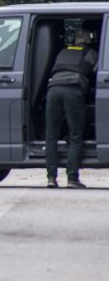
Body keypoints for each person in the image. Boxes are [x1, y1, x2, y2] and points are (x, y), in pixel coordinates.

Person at [45, 23, 98, 189]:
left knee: (51, 135)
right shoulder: (91, 54)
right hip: (73, 91)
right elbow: (97, 76)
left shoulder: (63, 52)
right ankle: (72, 178)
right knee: (75, 135)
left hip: (53, 90)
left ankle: (51, 178)